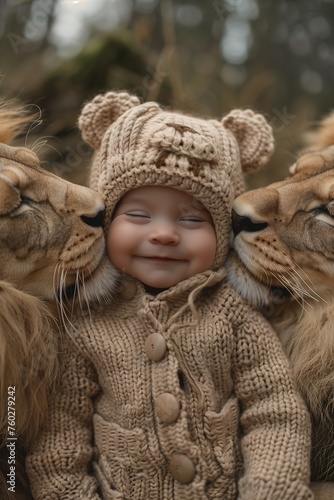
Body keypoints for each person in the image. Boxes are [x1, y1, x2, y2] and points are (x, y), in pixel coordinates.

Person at [26, 91, 313, 499]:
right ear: (104, 223)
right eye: (138, 214)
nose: (163, 233)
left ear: (222, 235)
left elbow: (276, 412)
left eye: (193, 218)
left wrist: (271, 489)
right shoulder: (84, 322)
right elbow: (60, 439)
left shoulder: (235, 317)